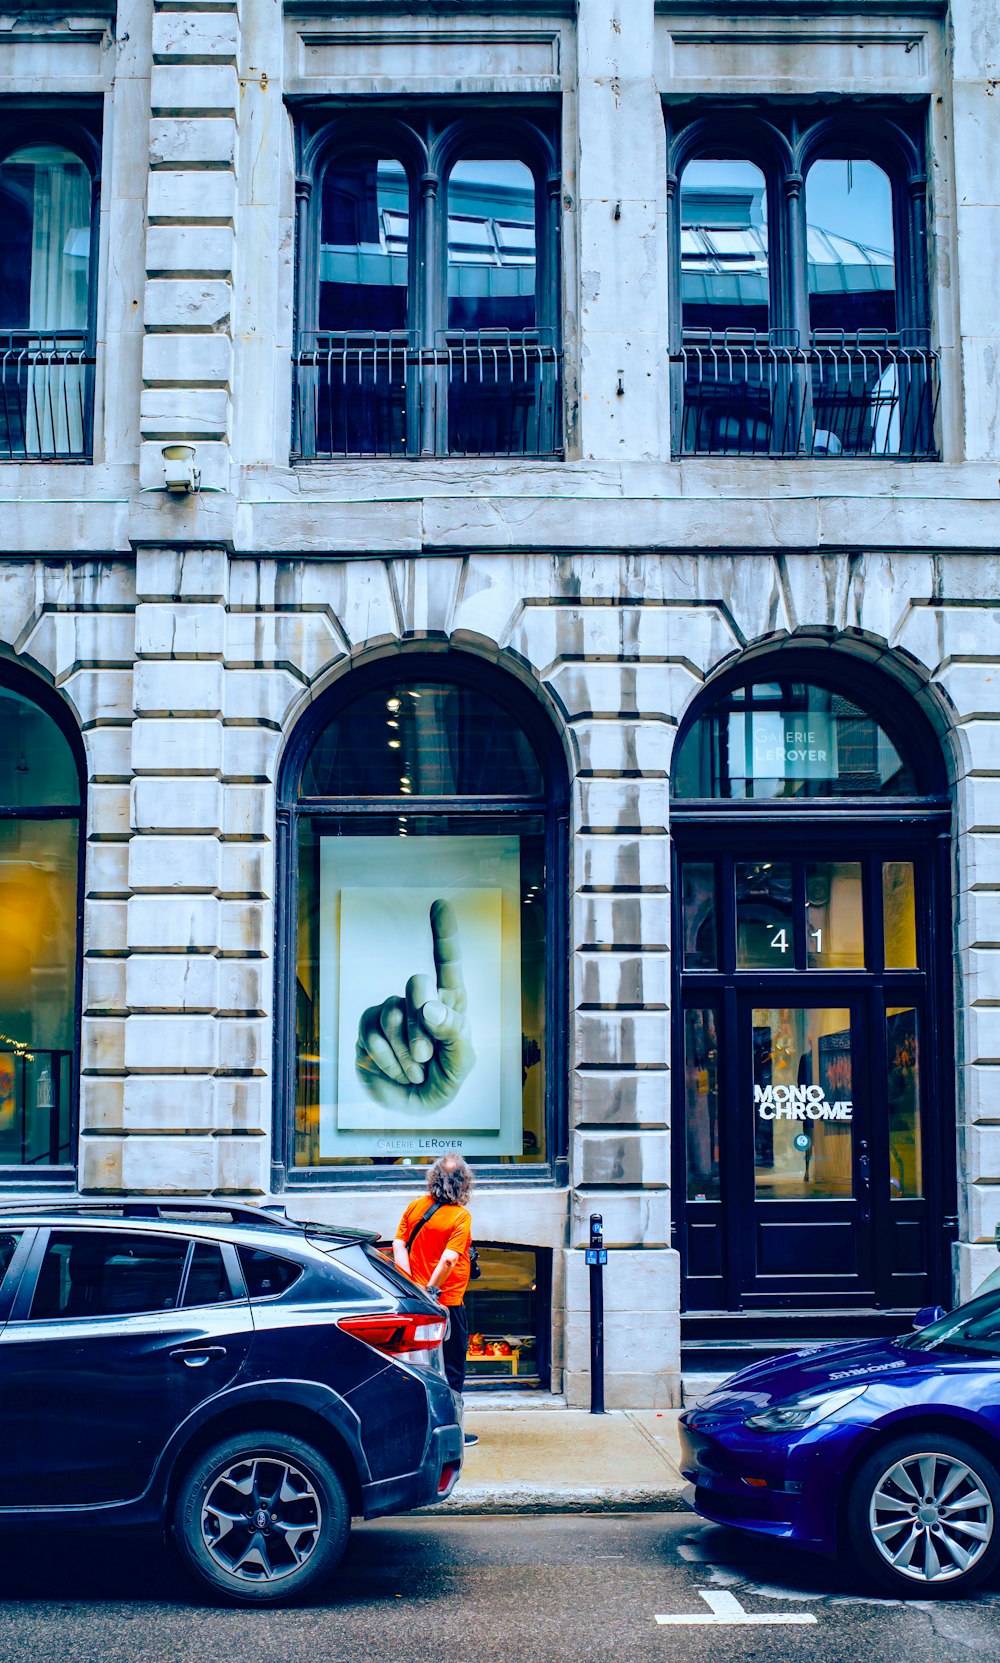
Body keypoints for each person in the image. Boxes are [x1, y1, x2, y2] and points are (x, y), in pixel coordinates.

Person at [394, 1152, 479, 1446]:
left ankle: (420, 1428)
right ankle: (452, 1431)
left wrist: (412, 1284)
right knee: (452, 1369)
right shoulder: (460, 1216)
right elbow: (449, 1260)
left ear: (433, 1180)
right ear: (464, 1183)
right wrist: (432, 1290)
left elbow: (398, 1243)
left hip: (416, 1302)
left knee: (420, 1366)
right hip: (448, 1304)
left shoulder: (416, 1207)